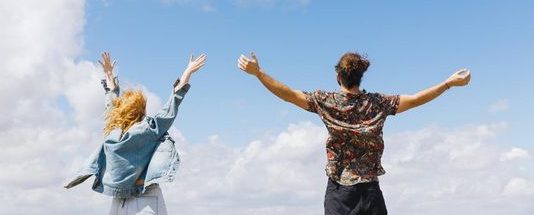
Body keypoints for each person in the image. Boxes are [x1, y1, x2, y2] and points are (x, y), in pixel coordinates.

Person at [237, 51, 470, 215]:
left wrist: (259, 74)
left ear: (338, 77)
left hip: (340, 192)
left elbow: (288, 94)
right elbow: (417, 99)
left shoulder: (326, 101)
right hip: (370, 192)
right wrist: (447, 83)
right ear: (360, 77)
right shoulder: (378, 103)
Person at [66, 51, 207, 215]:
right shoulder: (149, 129)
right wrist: (187, 72)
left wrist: (110, 75)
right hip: (147, 197)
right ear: (141, 110)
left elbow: (111, 104)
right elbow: (173, 103)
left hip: (119, 201)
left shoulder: (113, 132)